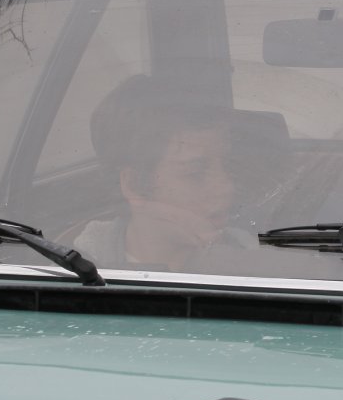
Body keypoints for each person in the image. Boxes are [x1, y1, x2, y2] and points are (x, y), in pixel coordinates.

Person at [72, 75, 243, 271]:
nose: (226, 187)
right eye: (195, 173)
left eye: (227, 166)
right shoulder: (75, 273)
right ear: (134, 185)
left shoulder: (253, 258)